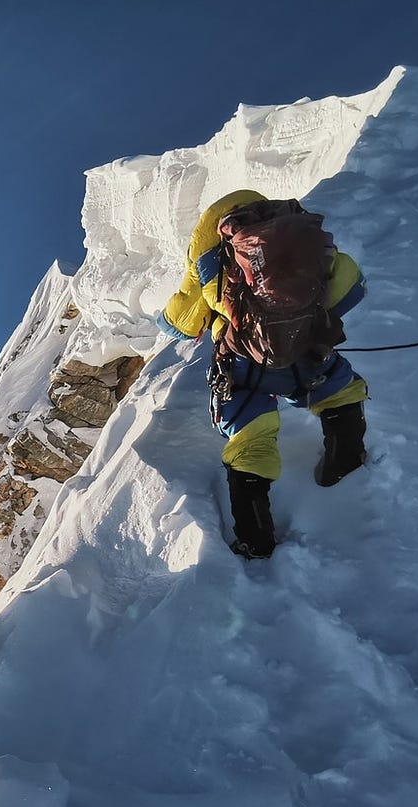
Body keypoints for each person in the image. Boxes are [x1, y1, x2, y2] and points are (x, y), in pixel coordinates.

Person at [157, 189, 369, 559]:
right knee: (336, 389)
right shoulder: (298, 237)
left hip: (246, 364)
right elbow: (351, 286)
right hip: (307, 350)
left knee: (249, 431)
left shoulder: (209, 255)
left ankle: (255, 539)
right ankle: (346, 459)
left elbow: (183, 323)